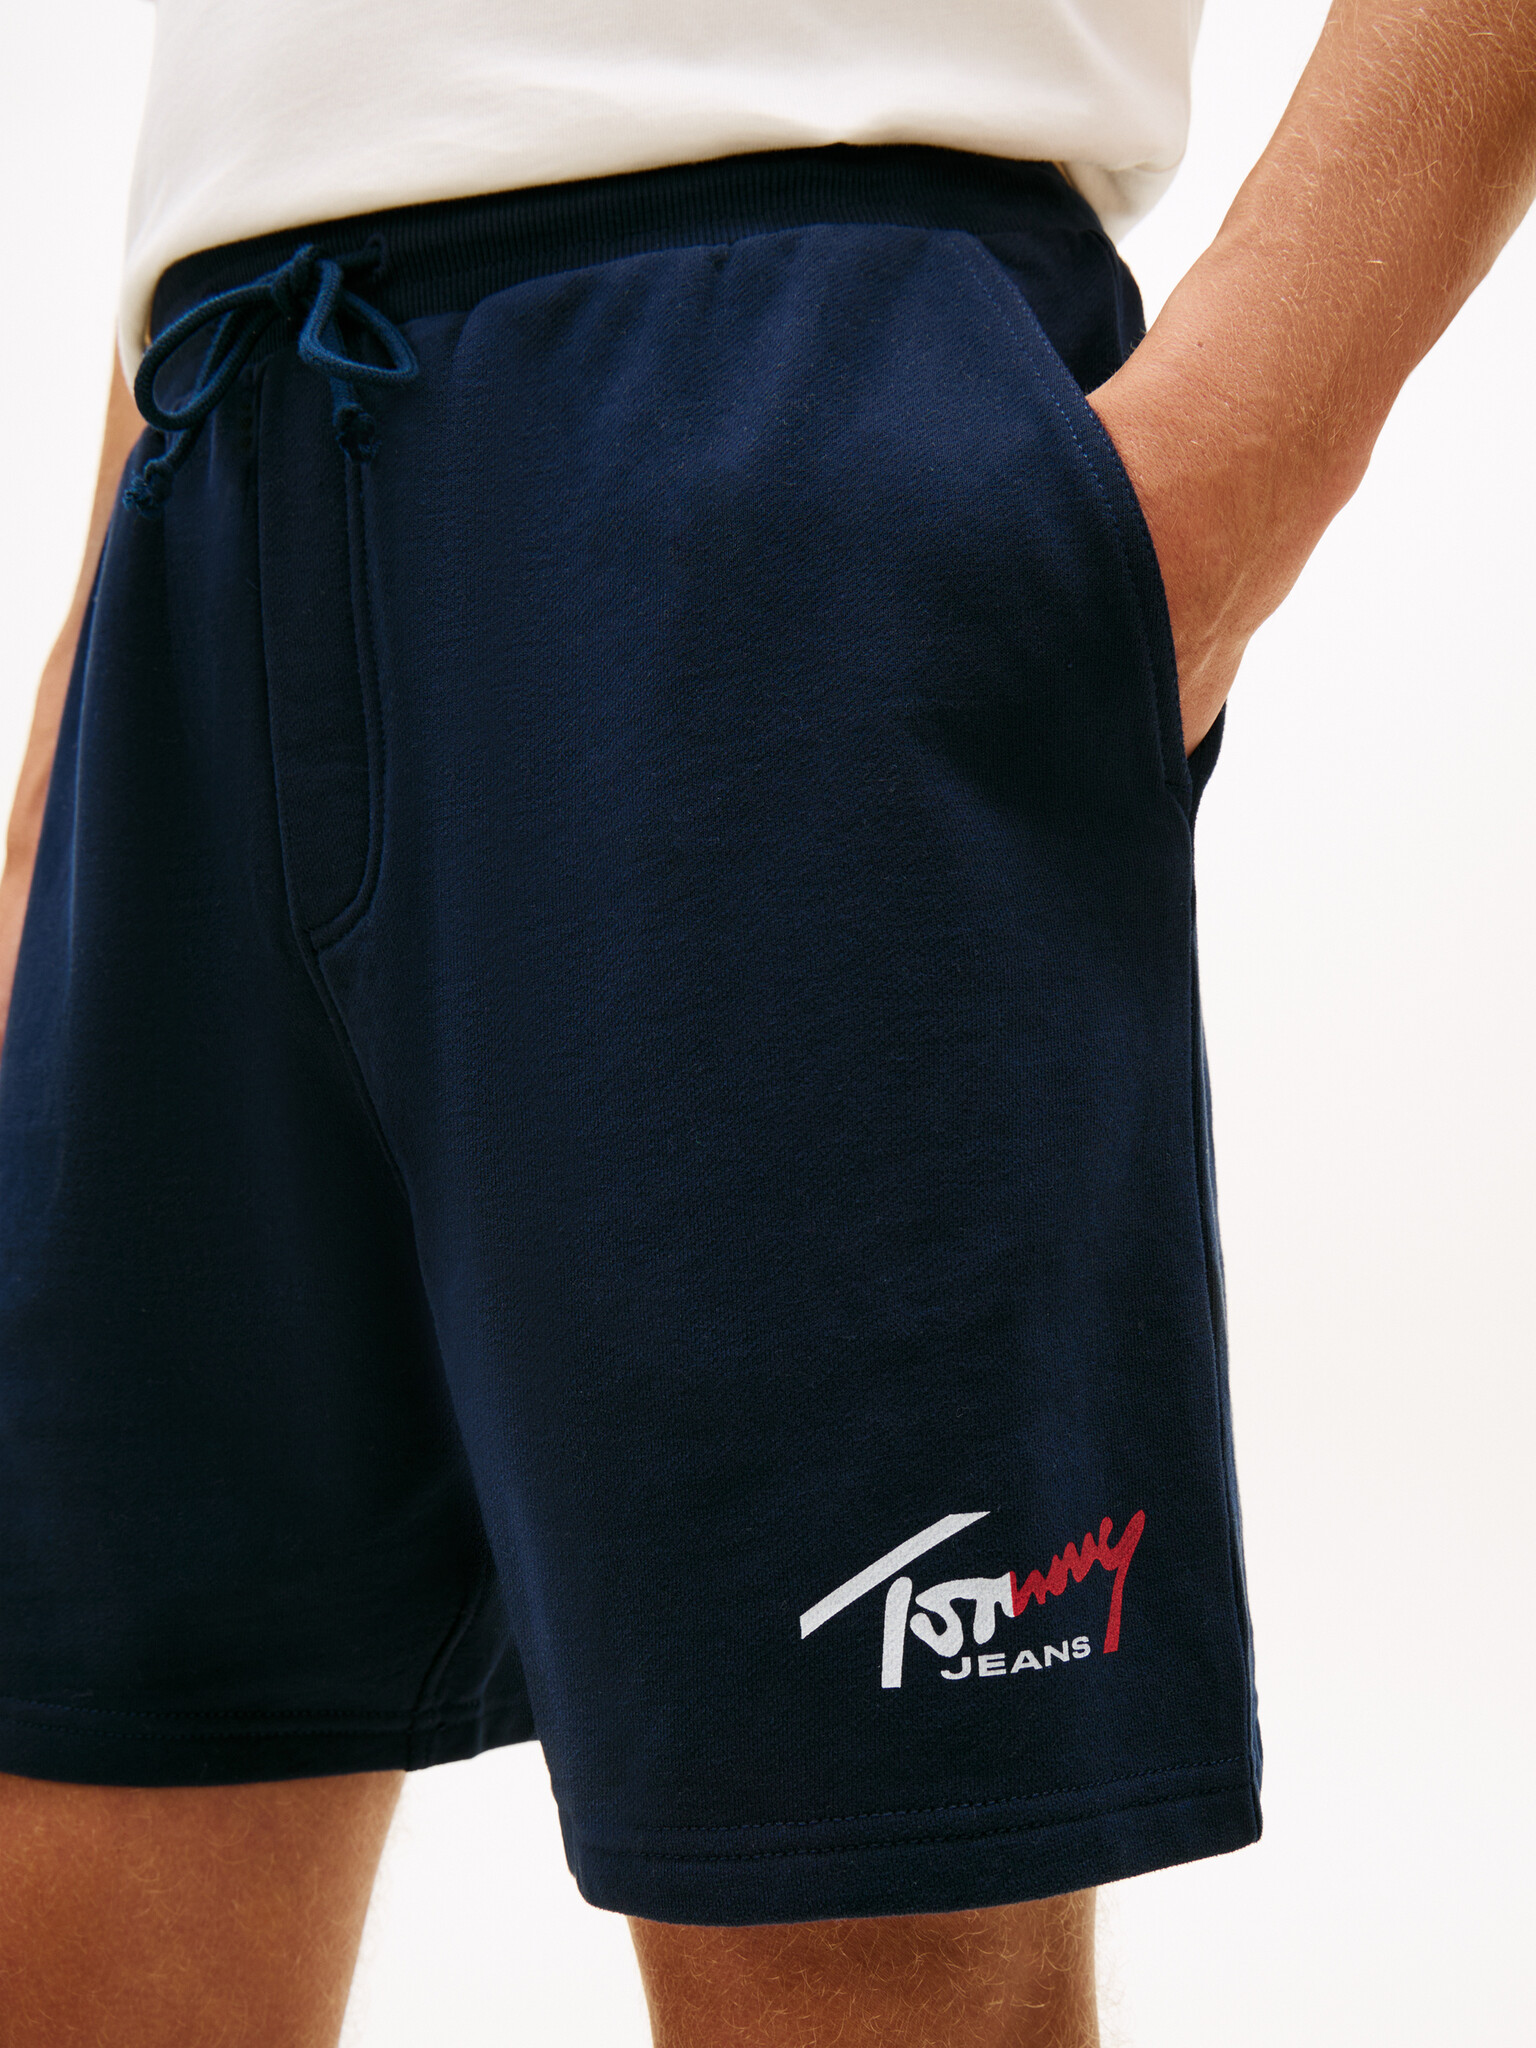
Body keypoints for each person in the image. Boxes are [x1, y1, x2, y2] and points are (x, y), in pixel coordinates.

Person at [0, 2, 1531, 2043]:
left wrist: (1238, 466)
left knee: (855, 1938)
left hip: (773, 410)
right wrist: (86, 676)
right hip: (217, 427)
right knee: (77, 1837)